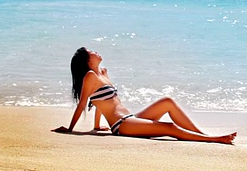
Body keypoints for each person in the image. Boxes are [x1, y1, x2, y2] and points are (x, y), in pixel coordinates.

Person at [52, 47, 236, 144]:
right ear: (87, 60)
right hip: (122, 125)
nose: (96, 51)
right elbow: (84, 103)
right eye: (92, 52)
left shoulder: (102, 73)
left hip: (130, 119)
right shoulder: (90, 76)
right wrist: (70, 129)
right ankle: (212, 140)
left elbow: (101, 101)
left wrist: (97, 126)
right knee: (168, 127)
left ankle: (201, 135)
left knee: (167, 102)